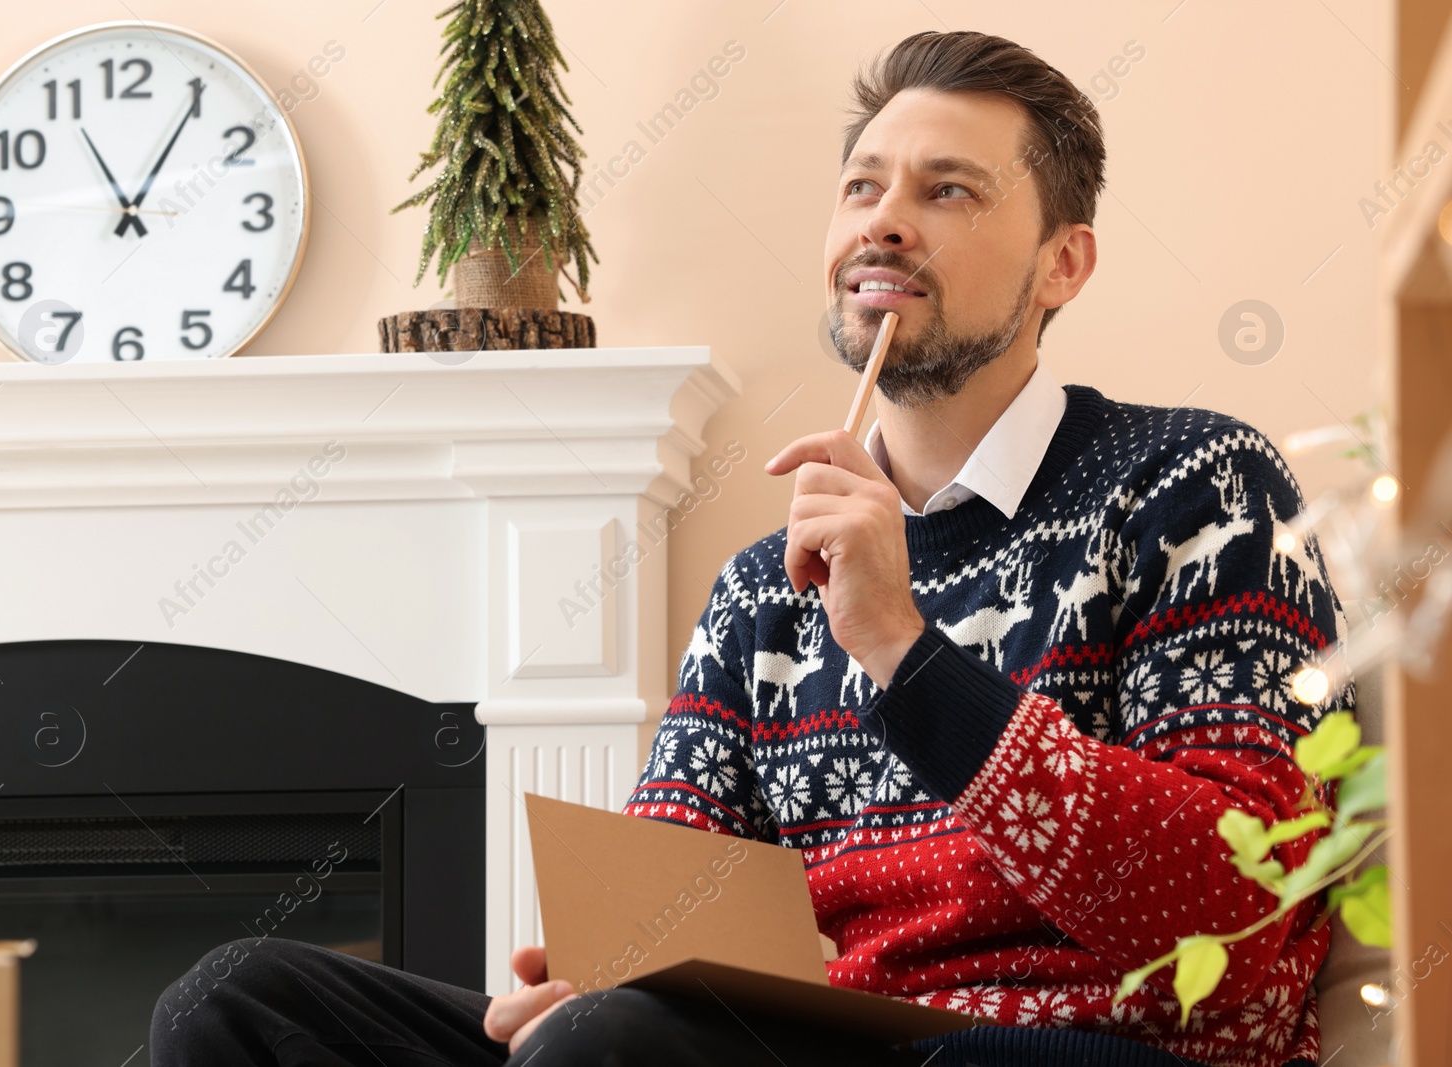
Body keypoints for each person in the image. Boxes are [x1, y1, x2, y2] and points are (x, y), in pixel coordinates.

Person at [150, 29, 1353, 1067]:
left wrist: (904, 651)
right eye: (862, 187)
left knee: (607, 1045)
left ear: (1063, 263)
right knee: (242, 999)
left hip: (1064, 1044)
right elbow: (667, 908)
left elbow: (1240, 914)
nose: (884, 220)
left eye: (948, 191)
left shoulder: (1197, 488)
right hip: (798, 1039)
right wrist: (603, 967)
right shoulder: (758, 593)